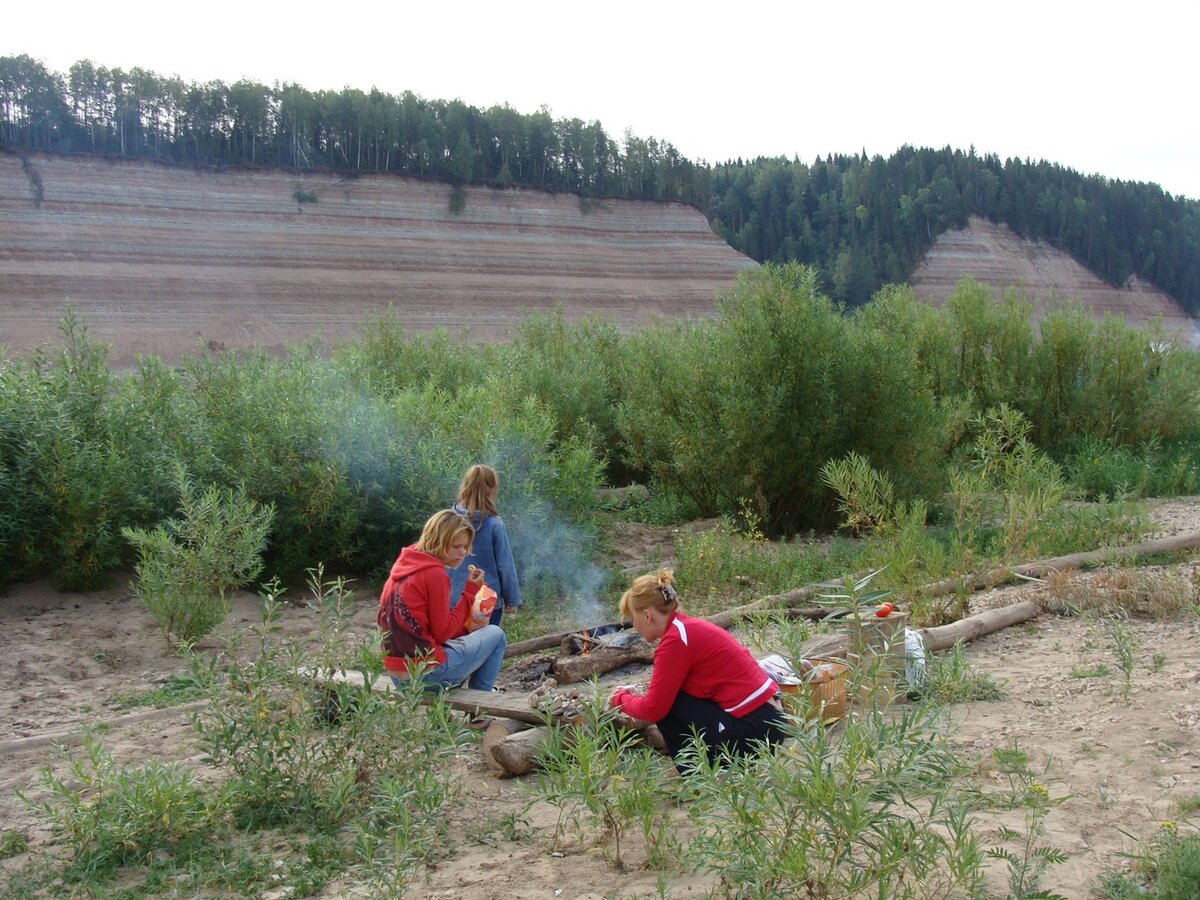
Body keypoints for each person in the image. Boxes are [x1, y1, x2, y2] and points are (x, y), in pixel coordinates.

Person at [608, 568, 788, 770]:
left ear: (648, 615)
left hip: (755, 731)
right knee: (670, 696)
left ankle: (699, 774)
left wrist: (620, 699)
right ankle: (710, 766)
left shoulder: (676, 641)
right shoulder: (687, 628)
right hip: (770, 724)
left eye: (633, 618)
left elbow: (653, 709)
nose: (635, 625)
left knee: (667, 707)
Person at [378, 509, 507, 692]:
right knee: (496, 635)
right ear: (438, 542)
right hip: (427, 676)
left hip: (397, 675)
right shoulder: (434, 574)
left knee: (465, 640)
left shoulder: (405, 565)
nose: (462, 552)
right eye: (456, 546)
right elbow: (443, 633)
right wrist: (470, 592)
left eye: (465, 546)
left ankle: (450, 714)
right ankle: (479, 710)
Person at [447, 464, 522, 627]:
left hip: (452, 597)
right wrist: (512, 599)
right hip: (486, 599)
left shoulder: (447, 520)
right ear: (492, 489)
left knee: (457, 645)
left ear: (464, 486)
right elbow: (505, 565)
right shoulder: (494, 524)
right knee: (485, 645)